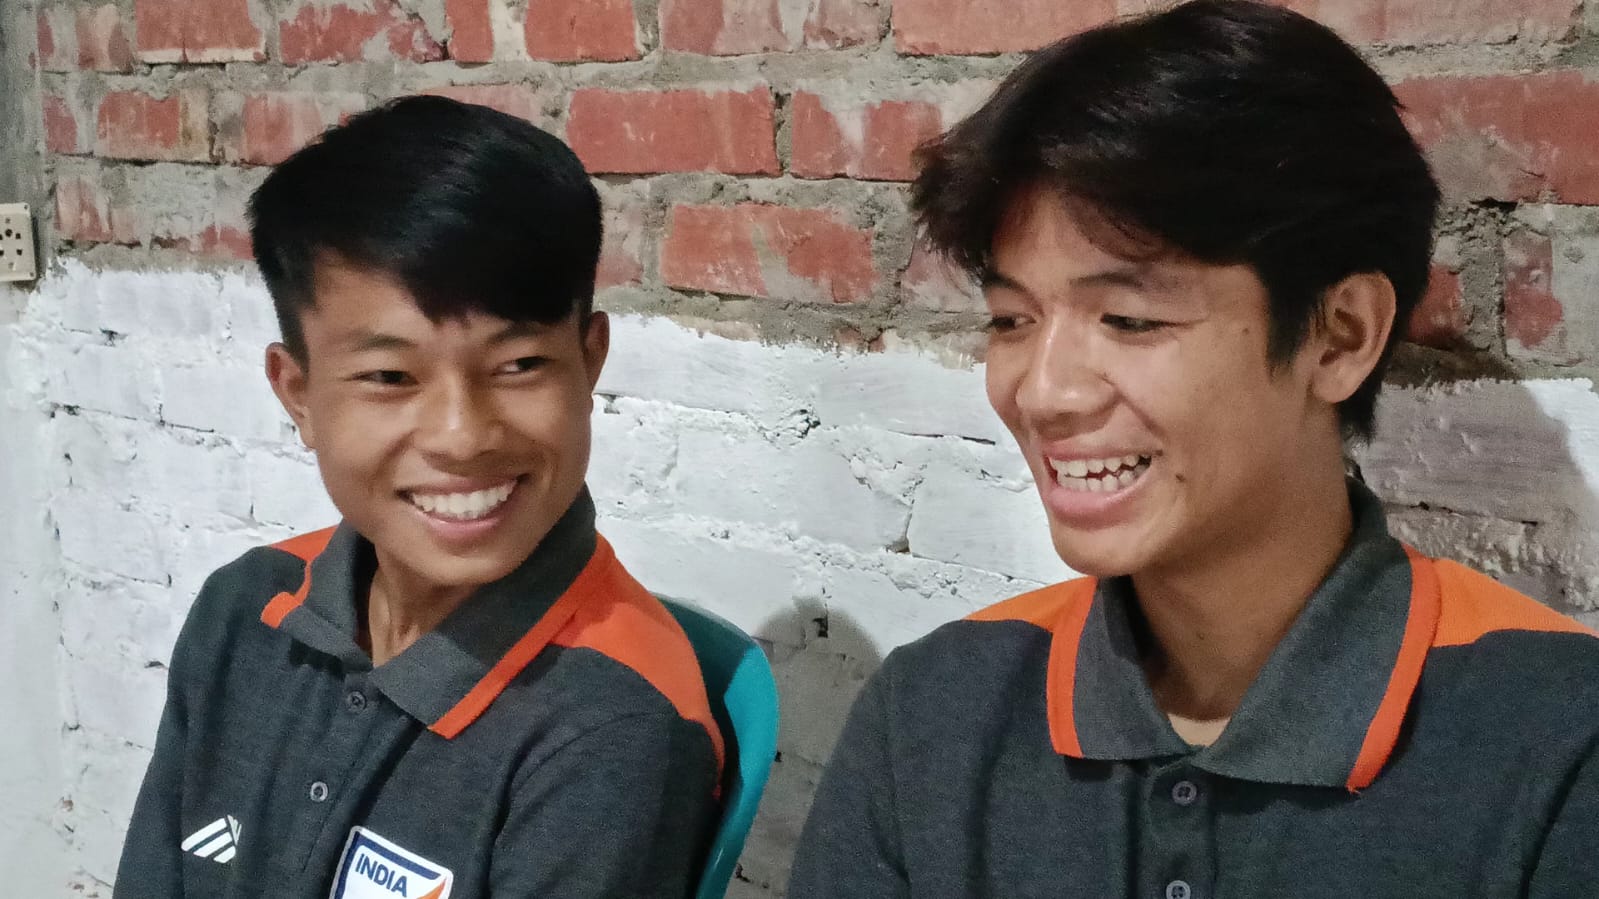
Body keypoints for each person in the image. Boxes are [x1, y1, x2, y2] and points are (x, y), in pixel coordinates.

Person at [789, 2, 1599, 896]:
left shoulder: (1560, 745)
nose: (1043, 392)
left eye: (1128, 318)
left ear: (1338, 336)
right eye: (1011, 319)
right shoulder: (931, 716)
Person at [114, 95, 721, 898]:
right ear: (298, 394)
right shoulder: (245, 607)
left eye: (519, 365)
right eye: (390, 376)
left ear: (589, 363)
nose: (462, 436)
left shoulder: (609, 724)